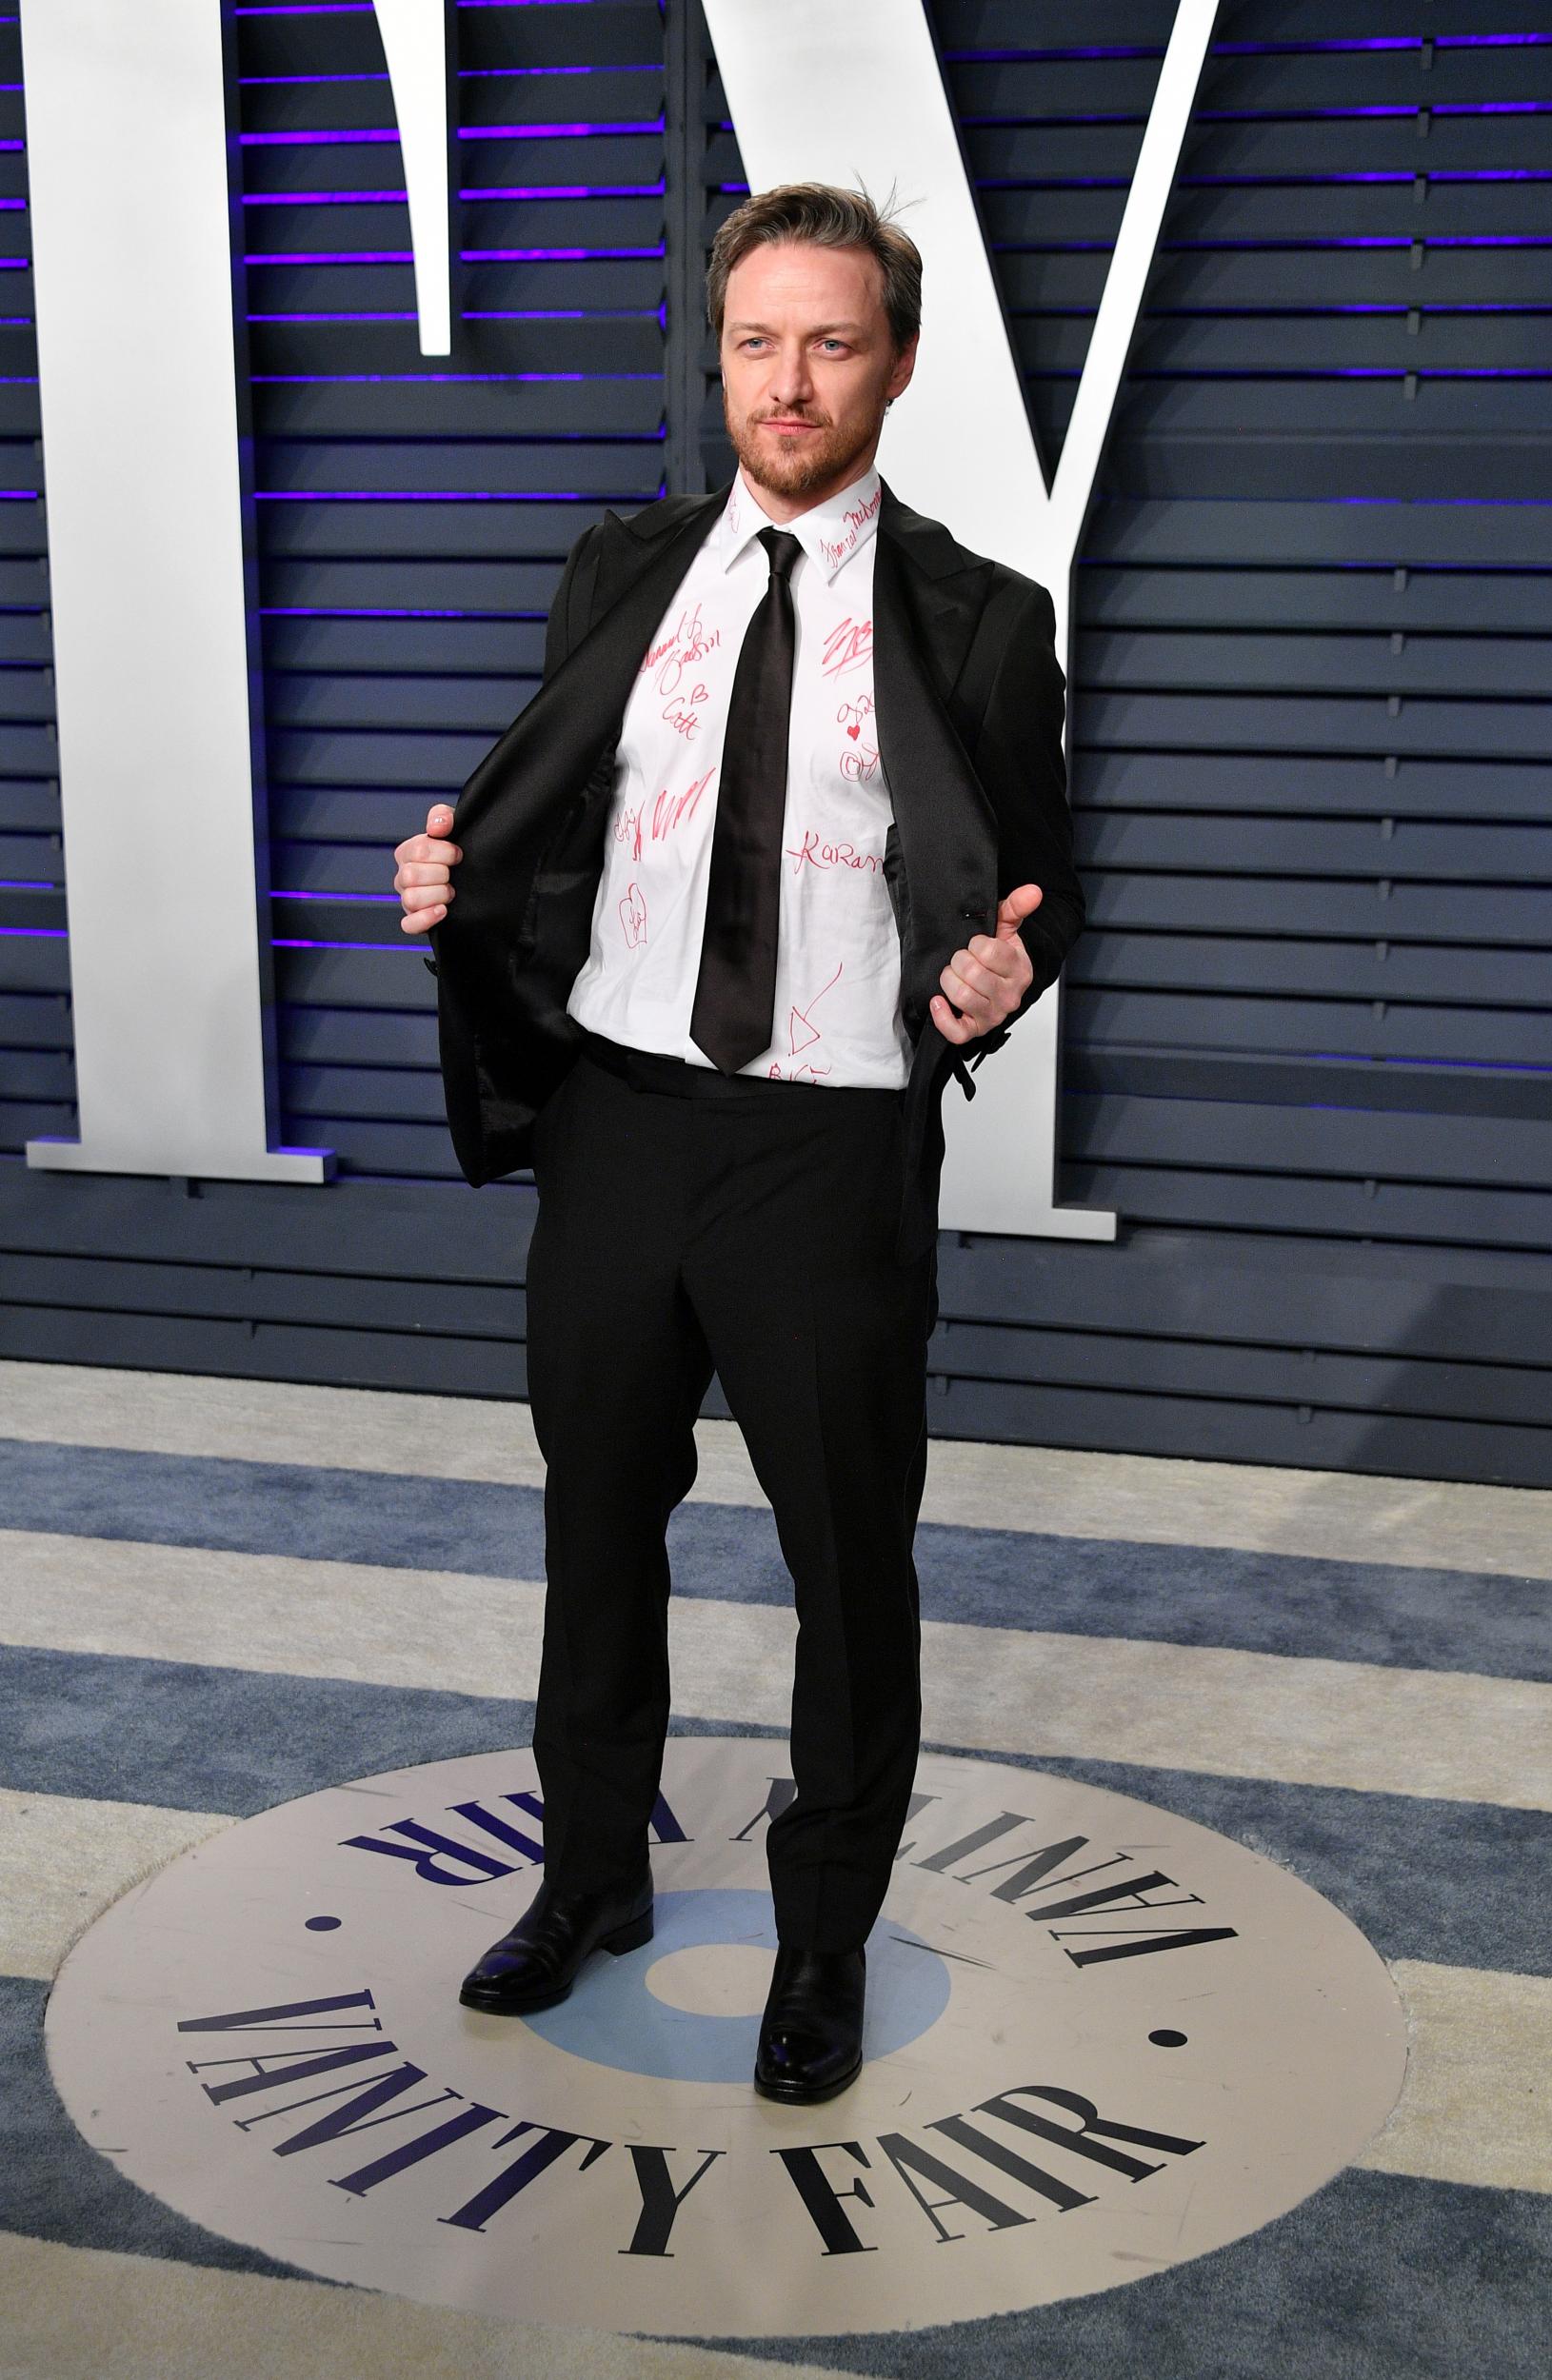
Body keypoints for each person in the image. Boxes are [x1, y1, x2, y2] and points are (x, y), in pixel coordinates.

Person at [391, 182, 1084, 2105]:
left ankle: (822, 1943)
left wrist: (1003, 975)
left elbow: (1039, 882)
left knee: (849, 1569)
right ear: (721, 353)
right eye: (758, 340)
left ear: (899, 362)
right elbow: (545, 811)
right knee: (592, 1528)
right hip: (621, 1120)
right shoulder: (619, 569)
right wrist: (447, 878)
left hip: (827, 1155)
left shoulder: (976, 619)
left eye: (832, 341)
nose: (791, 381)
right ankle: (589, 1877)